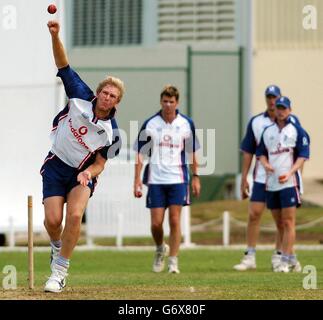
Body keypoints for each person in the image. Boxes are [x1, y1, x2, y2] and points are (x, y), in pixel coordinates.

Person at [41, 20, 124, 292]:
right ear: (98, 93)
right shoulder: (79, 95)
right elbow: (63, 64)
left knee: (75, 216)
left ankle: (60, 271)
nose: (107, 97)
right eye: (105, 92)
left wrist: (89, 173)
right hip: (56, 165)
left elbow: (101, 163)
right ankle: (56, 247)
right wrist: (55, 35)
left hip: (81, 175)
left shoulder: (112, 133)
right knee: (53, 222)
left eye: (113, 96)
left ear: (116, 102)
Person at [133, 85, 201, 274]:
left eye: (171, 101)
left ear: (177, 102)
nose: (168, 105)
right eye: (165, 101)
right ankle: (160, 248)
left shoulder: (186, 123)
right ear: (161, 102)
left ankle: (173, 261)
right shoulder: (151, 123)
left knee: (174, 220)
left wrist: (196, 177)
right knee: (156, 223)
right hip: (155, 179)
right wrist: (136, 179)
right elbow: (140, 153)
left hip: (178, 178)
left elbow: (193, 152)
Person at [233, 85, 301, 271]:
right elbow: (248, 151)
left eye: (275, 97)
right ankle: (250, 256)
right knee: (254, 213)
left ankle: (281, 255)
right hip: (262, 177)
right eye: (268, 97)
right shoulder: (256, 122)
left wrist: (295, 176)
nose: (272, 101)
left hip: (285, 179)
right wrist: (244, 177)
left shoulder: (293, 123)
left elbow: (300, 152)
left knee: (283, 221)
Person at [257, 96, 310, 272]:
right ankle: (293, 259)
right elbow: (261, 153)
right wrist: (266, 165)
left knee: (288, 222)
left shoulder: (297, 131)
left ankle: (285, 260)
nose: (280, 111)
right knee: (279, 223)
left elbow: (302, 156)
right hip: (272, 184)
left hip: (289, 183)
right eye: (278, 108)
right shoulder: (268, 131)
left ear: (289, 110)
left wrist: (291, 172)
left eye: (284, 108)